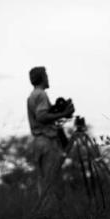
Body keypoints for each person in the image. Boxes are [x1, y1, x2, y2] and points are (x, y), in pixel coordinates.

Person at [27, 66, 75, 199]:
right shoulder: (41, 94)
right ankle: (51, 216)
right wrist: (64, 113)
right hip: (47, 141)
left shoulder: (33, 95)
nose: (48, 78)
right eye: (46, 75)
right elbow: (41, 116)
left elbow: (42, 115)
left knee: (44, 184)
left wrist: (56, 111)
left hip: (38, 142)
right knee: (52, 184)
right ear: (42, 77)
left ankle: (45, 215)